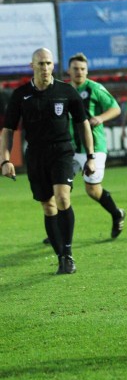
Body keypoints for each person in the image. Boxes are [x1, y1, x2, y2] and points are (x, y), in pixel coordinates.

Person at [0, 48, 96, 274]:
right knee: (48, 205)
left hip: (62, 152)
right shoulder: (20, 95)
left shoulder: (66, 91)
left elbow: (83, 124)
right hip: (36, 155)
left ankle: (69, 253)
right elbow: (8, 129)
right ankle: (61, 255)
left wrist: (90, 156)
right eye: (41, 63)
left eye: (49, 63)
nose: (45, 68)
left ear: (54, 66)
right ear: (32, 66)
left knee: (63, 198)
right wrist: (5, 160)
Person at [67, 53, 126, 238]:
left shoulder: (95, 88)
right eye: (75, 69)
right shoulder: (63, 90)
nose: (79, 72)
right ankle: (59, 229)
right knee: (59, 187)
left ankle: (116, 213)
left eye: (82, 69)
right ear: (69, 70)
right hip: (69, 148)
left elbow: (115, 108)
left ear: (87, 71)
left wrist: (100, 117)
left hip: (94, 147)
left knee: (92, 190)